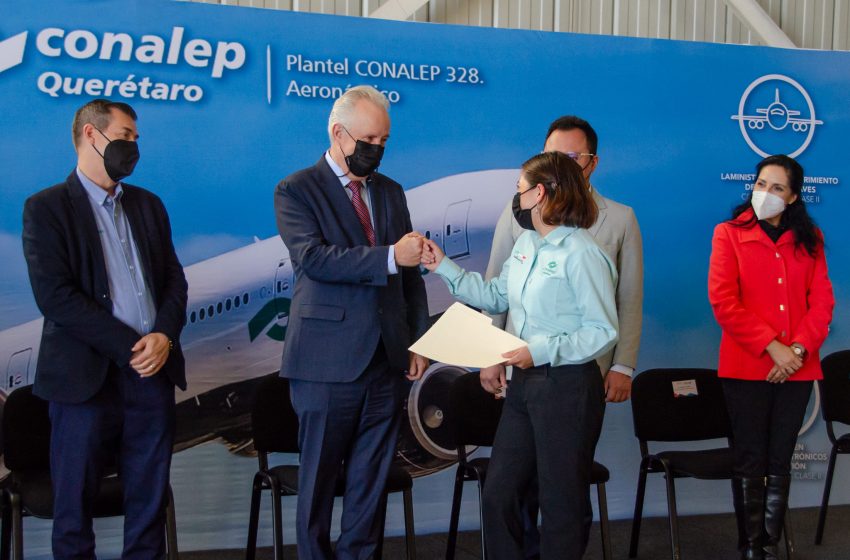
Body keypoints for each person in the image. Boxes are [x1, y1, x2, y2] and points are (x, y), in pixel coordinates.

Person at [421, 151, 618, 559]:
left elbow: (602, 331)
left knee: (561, 503)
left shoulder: (582, 253)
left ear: (540, 194)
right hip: (523, 387)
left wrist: (539, 350)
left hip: (567, 387)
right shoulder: (527, 244)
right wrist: (442, 266)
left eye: (520, 190)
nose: (516, 199)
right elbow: (495, 295)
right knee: (500, 494)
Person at [21, 99, 188, 559]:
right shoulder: (46, 208)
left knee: (148, 505)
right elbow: (56, 297)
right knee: (73, 509)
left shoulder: (149, 206)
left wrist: (164, 338)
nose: (133, 145)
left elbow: (174, 280)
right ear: (92, 136)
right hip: (83, 382)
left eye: (136, 138)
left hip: (152, 376)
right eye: (126, 134)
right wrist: (131, 345)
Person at [274, 85, 430, 559]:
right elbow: (315, 260)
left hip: (385, 363)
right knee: (318, 487)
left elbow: (411, 277)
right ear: (338, 134)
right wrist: (388, 256)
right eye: (369, 139)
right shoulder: (296, 189)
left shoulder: (391, 192)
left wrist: (419, 339)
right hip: (324, 366)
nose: (377, 150)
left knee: (370, 488)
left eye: (384, 141)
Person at [484, 115, 642, 558]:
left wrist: (622, 365)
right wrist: (490, 353)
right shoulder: (519, 211)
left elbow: (628, 299)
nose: (560, 164)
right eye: (553, 155)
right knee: (508, 490)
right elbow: (497, 286)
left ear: (591, 163)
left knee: (563, 491)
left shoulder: (620, 219)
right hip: (522, 371)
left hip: (580, 374)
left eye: (571, 157)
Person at [708, 154, 834, 560]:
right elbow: (724, 301)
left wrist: (795, 350)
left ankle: (770, 546)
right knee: (750, 459)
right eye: (762, 184)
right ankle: (750, 548)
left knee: (780, 460)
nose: (766, 193)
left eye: (777, 187)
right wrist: (772, 346)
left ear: (794, 196)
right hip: (746, 369)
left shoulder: (809, 240)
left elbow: (823, 304)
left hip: (796, 370)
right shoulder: (729, 233)